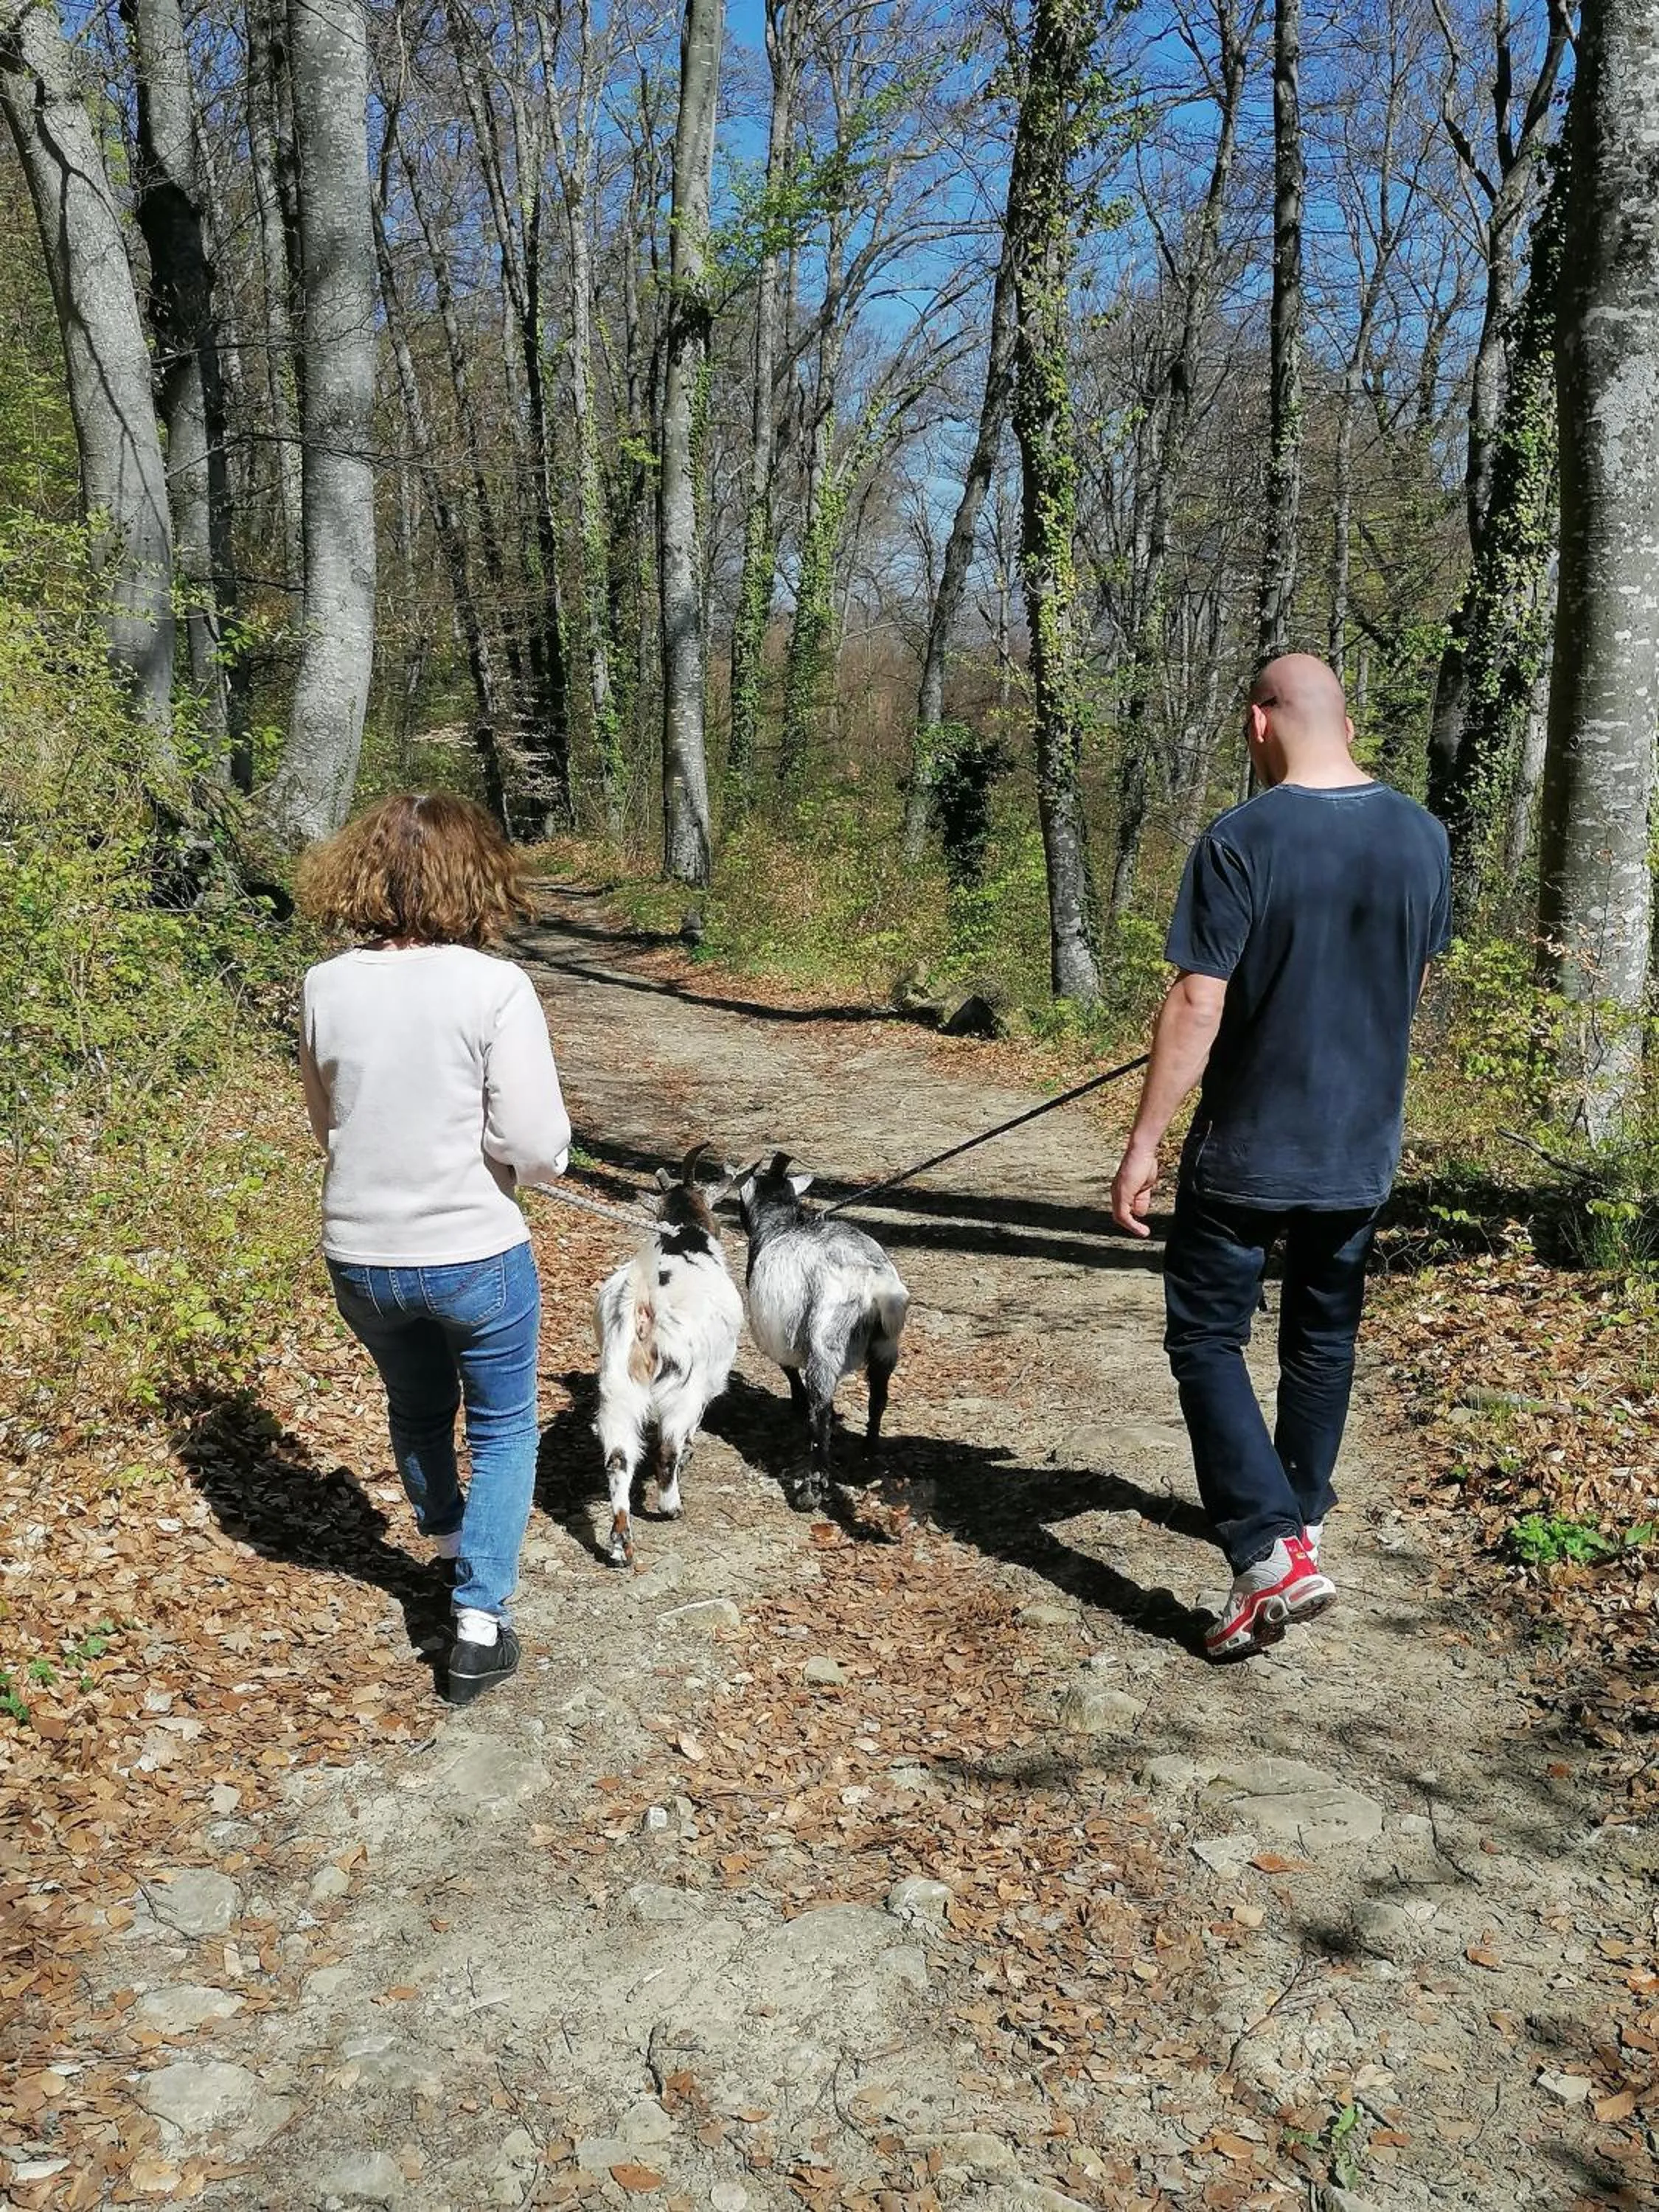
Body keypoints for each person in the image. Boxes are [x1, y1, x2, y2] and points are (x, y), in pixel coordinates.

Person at [1110, 655, 1450, 1660]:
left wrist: (1142, 1144)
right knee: (1319, 1336)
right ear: (1340, 717)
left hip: (1250, 1148)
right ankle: (1297, 1518)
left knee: (1206, 1340)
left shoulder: (1241, 839)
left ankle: (1265, 1552)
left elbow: (1197, 1000)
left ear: (1263, 719)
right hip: (1360, 1146)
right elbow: (1405, 979)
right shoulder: (1423, 838)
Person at [296, 793, 572, 1705]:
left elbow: (326, 1127)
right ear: (476, 875)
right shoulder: (494, 987)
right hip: (473, 1253)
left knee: (417, 1408)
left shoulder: (325, 984)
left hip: (361, 1256)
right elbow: (535, 1147)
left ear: (365, 872)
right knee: (500, 1427)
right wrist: (504, 1165)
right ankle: (479, 1622)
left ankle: (450, 1547)